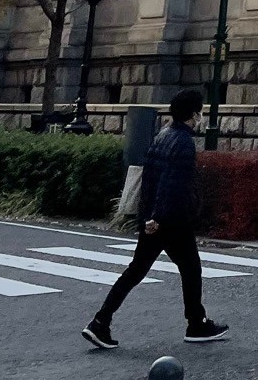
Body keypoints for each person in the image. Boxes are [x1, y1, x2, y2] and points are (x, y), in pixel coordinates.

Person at [82, 89, 229, 350]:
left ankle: (100, 322)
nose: (202, 116)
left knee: (136, 271)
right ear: (193, 114)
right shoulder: (183, 142)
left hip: (156, 218)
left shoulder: (163, 135)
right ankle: (196, 325)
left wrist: (147, 216)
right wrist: (158, 218)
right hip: (172, 220)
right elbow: (173, 185)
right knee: (191, 269)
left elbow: (149, 180)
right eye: (201, 111)